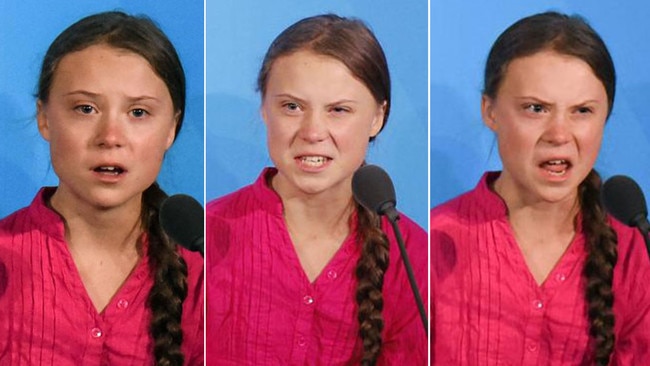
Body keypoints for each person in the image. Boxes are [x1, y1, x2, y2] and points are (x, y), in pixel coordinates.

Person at [431, 11, 650, 365]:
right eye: (536, 108)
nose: (560, 135)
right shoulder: (433, 243)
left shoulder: (634, 252)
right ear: (490, 111)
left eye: (582, 111)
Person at [206, 14, 427, 365]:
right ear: (264, 108)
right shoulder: (204, 235)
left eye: (338, 110)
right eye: (292, 107)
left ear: (377, 117)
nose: (312, 132)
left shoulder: (412, 253)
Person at [0, 12, 203, 365]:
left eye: (138, 113)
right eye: (86, 108)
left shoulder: (204, 273)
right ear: (45, 118)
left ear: (171, 128)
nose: (110, 137)